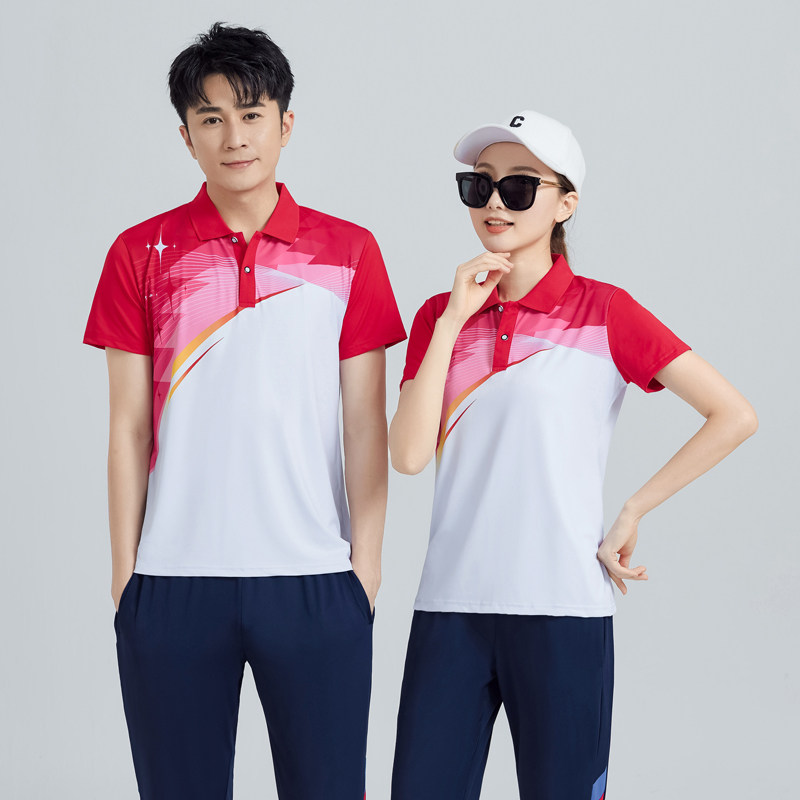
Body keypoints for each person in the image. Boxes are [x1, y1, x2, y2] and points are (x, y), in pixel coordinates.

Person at [389, 110, 757, 800]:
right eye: (480, 185)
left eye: (520, 186)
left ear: (566, 203)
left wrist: (633, 509)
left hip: (562, 611)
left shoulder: (605, 312)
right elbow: (408, 455)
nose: (495, 202)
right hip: (449, 607)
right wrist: (453, 320)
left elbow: (734, 415)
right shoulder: (439, 315)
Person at [83, 23, 405, 800]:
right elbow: (127, 427)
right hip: (173, 581)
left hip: (314, 579)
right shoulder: (140, 254)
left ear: (285, 125)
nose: (234, 137)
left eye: (252, 115)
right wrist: (127, 579)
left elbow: (365, 423)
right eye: (212, 119)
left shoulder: (349, 252)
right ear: (186, 135)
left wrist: (363, 571)